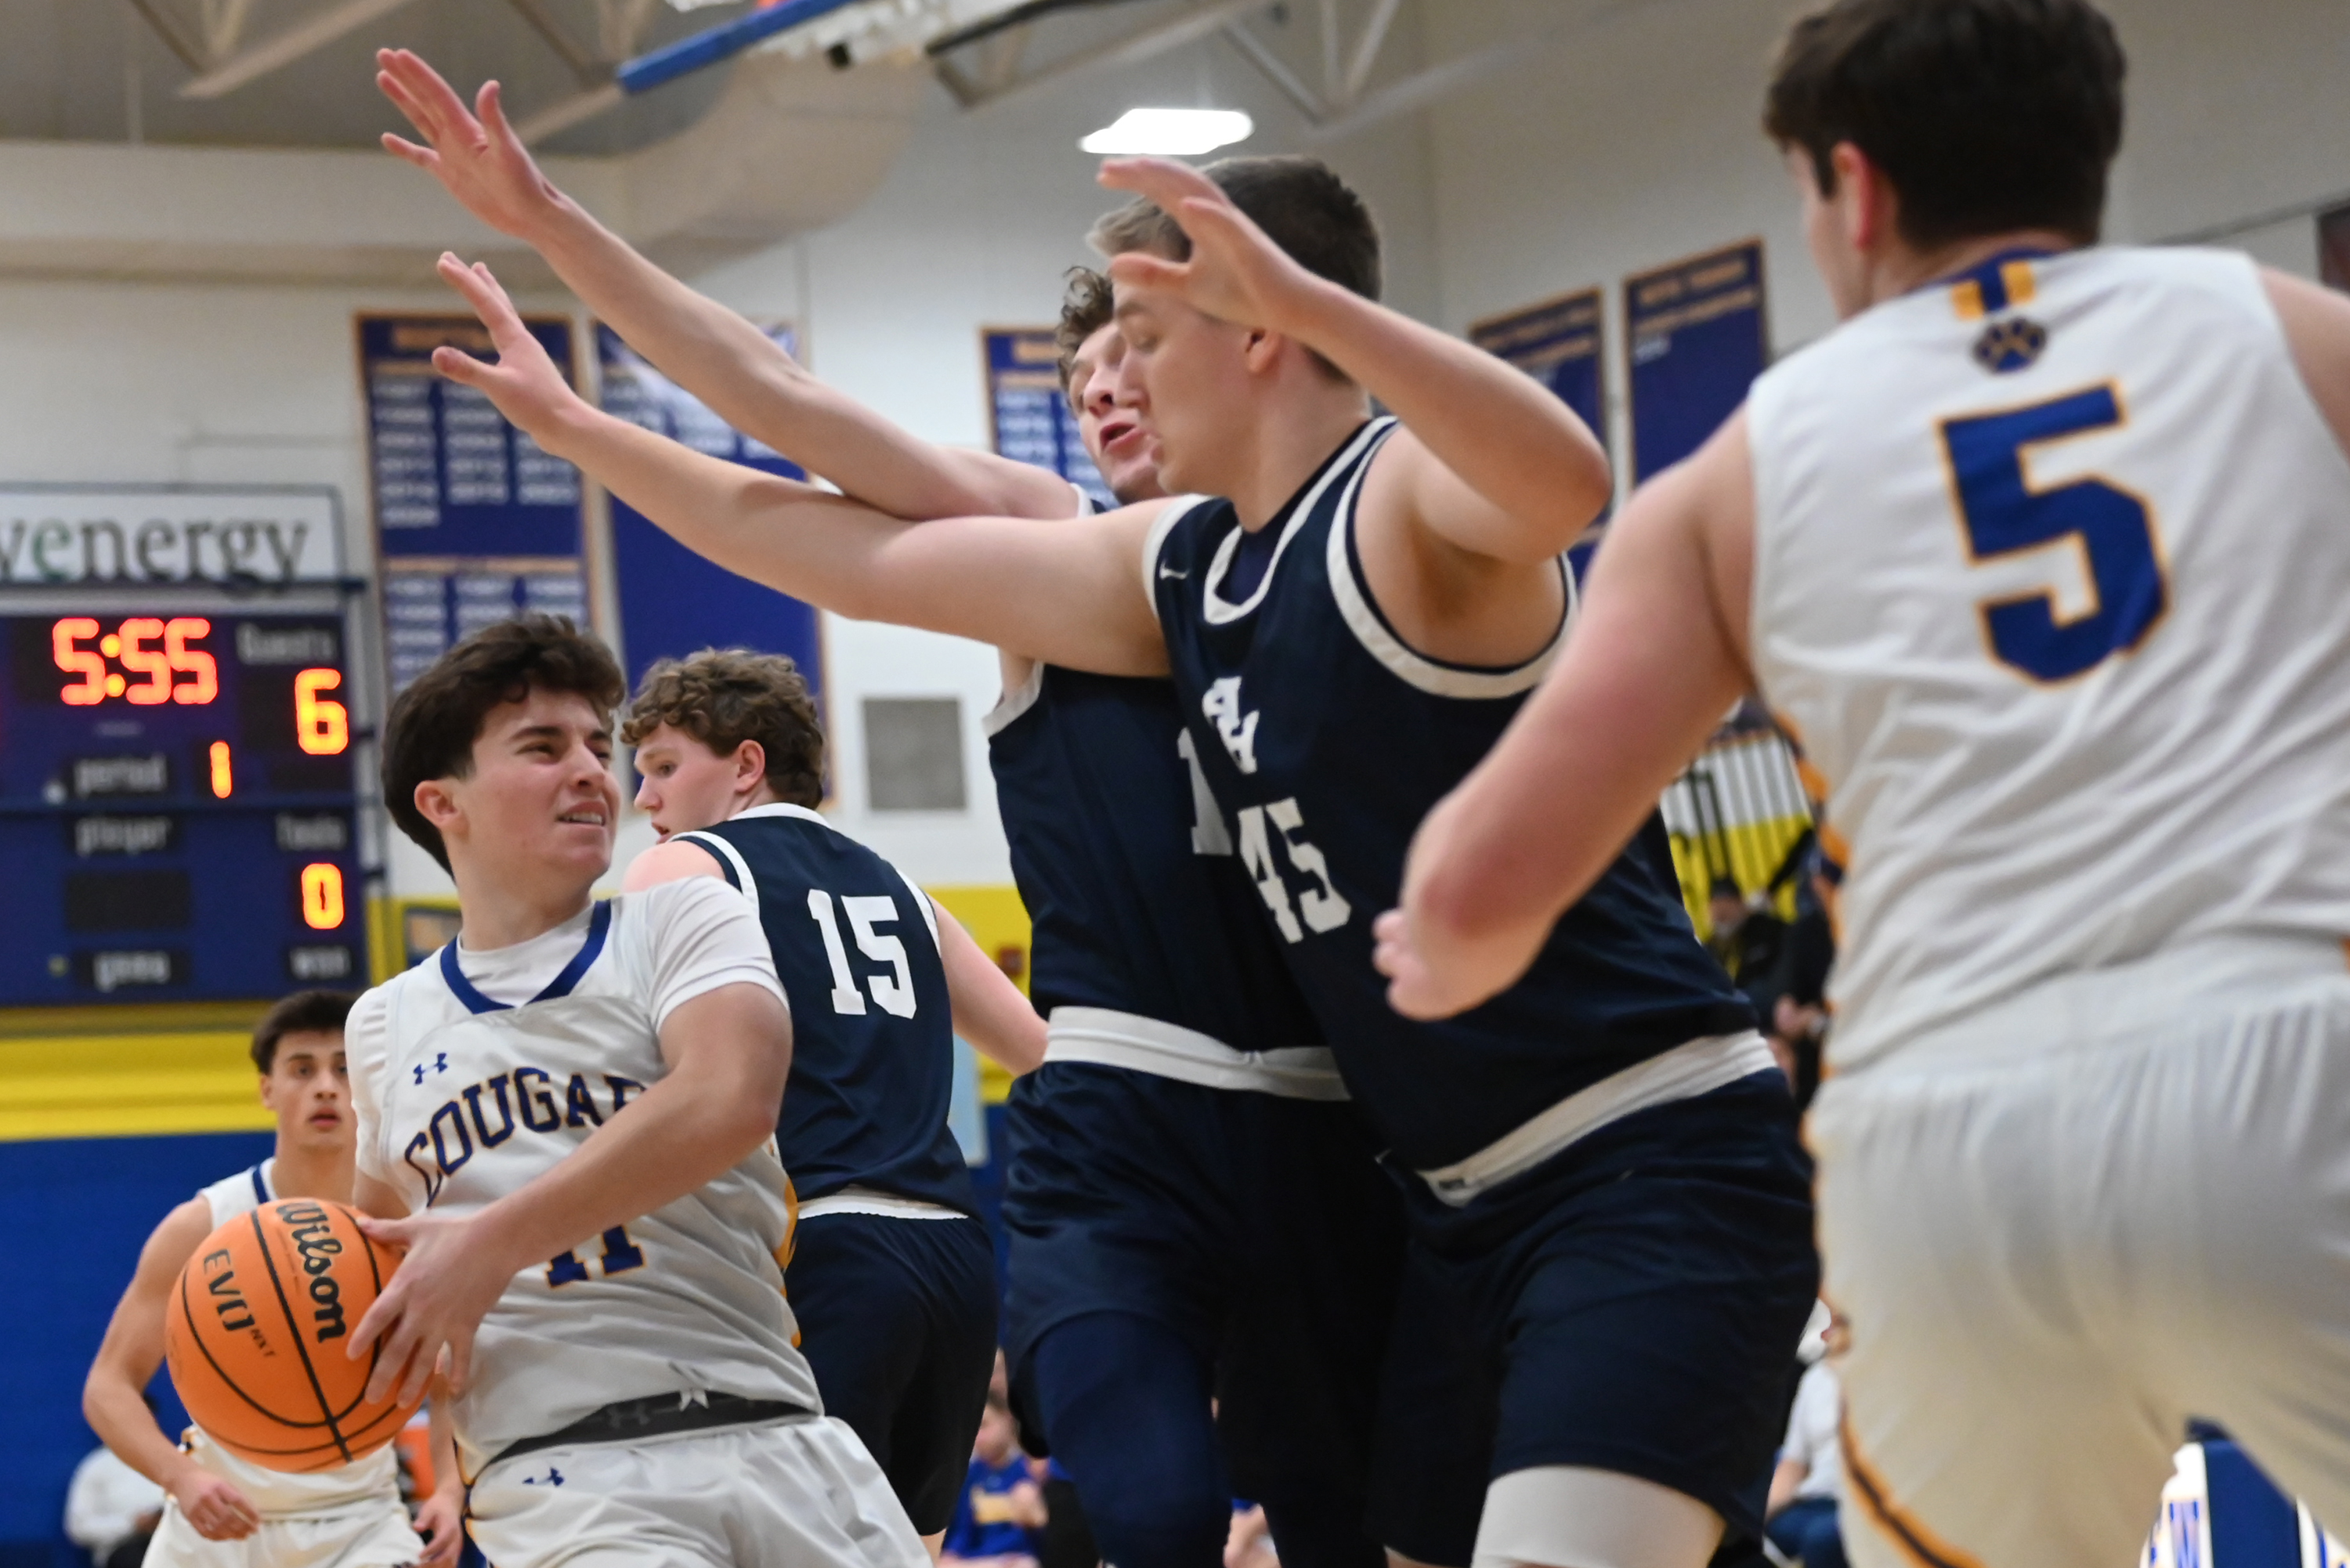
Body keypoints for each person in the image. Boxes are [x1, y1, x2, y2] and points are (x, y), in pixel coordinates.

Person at [403, 142, 1817, 1567]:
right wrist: (576, 385)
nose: (1107, 375)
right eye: (1097, 355)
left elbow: (1563, 481)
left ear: (1269, 329)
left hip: (1585, 1141)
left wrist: (1330, 315)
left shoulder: (1390, 504)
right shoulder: (1161, 571)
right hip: (1398, 1175)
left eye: (1140, 339)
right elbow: (823, 524)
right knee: (1209, 1511)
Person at [1373, 0, 2350, 1563]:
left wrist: (1435, 945)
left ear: (1858, 189)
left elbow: (1485, 891)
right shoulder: (2293, 331)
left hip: (1952, 1140)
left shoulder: (1743, 470)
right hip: (2290, 1056)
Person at [339, 614, 927, 1568]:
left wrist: (491, 1242)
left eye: (592, 745)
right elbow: (377, 1274)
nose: (593, 771)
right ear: (442, 803)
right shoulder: (382, 1026)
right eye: (543, 747)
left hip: (781, 1429)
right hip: (567, 1478)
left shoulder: (681, 914)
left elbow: (729, 1096)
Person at [618, 646, 1046, 1550]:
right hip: (958, 1260)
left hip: (823, 1245)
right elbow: (1040, 1054)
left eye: (662, 767)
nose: (643, 799)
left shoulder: (683, 868)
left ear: (744, 762)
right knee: (908, 1550)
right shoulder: (907, 890)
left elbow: (628, 1069)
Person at [80, 991, 453, 1568]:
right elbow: (108, 1387)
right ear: (267, 1090)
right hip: (217, 1522)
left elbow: (452, 1376)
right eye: (302, 1069)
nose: (326, 1086)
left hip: (360, 1522)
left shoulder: (404, 1224)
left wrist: (452, 1491)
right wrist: (181, 1477)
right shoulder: (201, 1224)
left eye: (345, 1070)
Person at [939, 1393, 1048, 1568]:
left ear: (1007, 1419)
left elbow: (1055, 1538)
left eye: (984, 1426)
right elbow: (960, 1534)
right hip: (977, 1561)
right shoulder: (969, 1476)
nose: (978, 1438)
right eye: (971, 1430)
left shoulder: (1032, 1471)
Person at [1762, 1350, 1844, 1568]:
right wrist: (1757, 1515)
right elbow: (1793, 1465)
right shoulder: (1817, 1377)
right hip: (1815, 1499)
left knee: (1821, 1539)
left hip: (1855, 1505)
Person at [63, 1433, 163, 1568]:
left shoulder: (169, 1460)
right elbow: (79, 1528)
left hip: (169, 1543)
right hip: (123, 1549)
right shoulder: (96, 1466)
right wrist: (133, 1524)